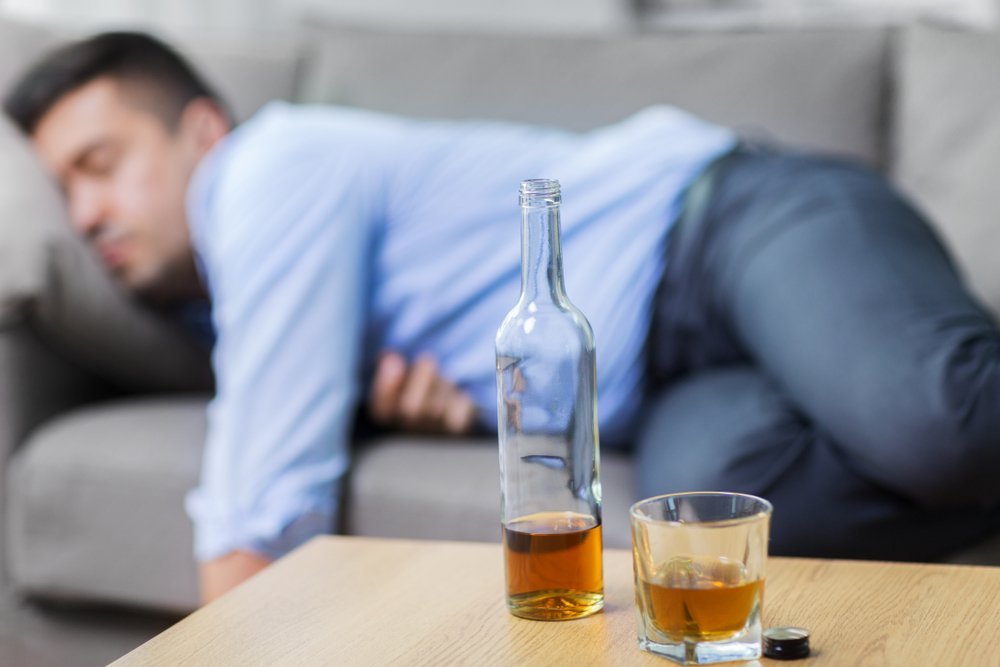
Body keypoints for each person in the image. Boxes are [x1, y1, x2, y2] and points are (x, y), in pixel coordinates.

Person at [5, 32, 1000, 603]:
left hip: (727, 224)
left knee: (936, 423)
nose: (86, 213)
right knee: (729, 538)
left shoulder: (269, 168)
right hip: (669, 384)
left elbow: (260, 504)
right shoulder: (216, 308)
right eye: (65, 188)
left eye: (102, 163)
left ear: (202, 130)